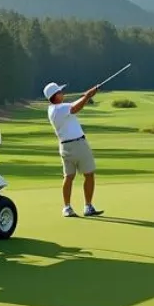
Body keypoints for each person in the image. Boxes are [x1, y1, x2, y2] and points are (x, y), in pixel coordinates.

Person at [43, 81, 103, 217]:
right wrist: (87, 97)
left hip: (65, 146)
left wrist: (86, 95)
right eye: (60, 92)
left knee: (68, 177)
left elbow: (74, 105)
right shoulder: (60, 109)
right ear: (55, 96)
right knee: (89, 174)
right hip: (78, 145)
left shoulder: (53, 109)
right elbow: (75, 108)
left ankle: (67, 208)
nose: (62, 93)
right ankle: (88, 207)